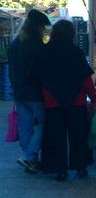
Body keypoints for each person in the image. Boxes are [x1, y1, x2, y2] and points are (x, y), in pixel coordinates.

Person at [32, 20, 96, 181]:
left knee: (55, 136)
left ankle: (59, 169)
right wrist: (94, 99)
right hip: (76, 101)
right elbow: (85, 79)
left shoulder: (44, 52)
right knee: (79, 136)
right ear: (71, 34)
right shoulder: (76, 52)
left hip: (52, 101)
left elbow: (35, 74)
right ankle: (81, 167)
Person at [8, 9, 50, 173]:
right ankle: (29, 156)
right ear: (38, 27)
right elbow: (41, 71)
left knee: (24, 126)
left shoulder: (15, 43)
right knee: (42, 124)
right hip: (36, 93)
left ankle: (29, 160)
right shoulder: (37, 45)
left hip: (19, 91)